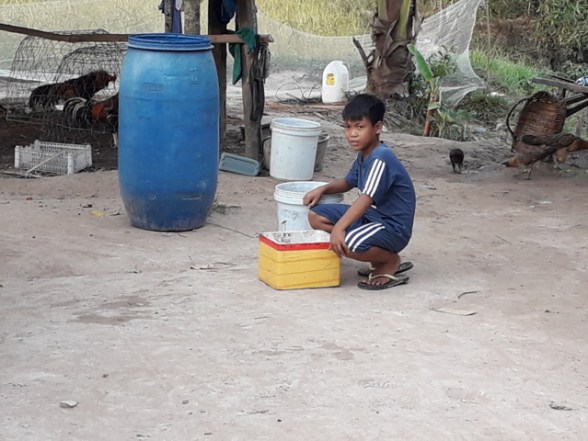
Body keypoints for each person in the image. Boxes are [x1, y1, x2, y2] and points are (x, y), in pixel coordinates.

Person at [303, 93, 416, 290]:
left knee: (348, 242)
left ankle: (389, 260)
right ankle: (373, 252)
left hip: (393, 227)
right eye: (348, 127)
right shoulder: (364, 156)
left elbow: (366, 198)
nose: (352, 134)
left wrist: (339, 229)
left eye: (359, 127)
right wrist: (323, 188)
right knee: (316, 216)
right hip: (376, 217)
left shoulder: (381, 157)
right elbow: (348, 182)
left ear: (377, 128)